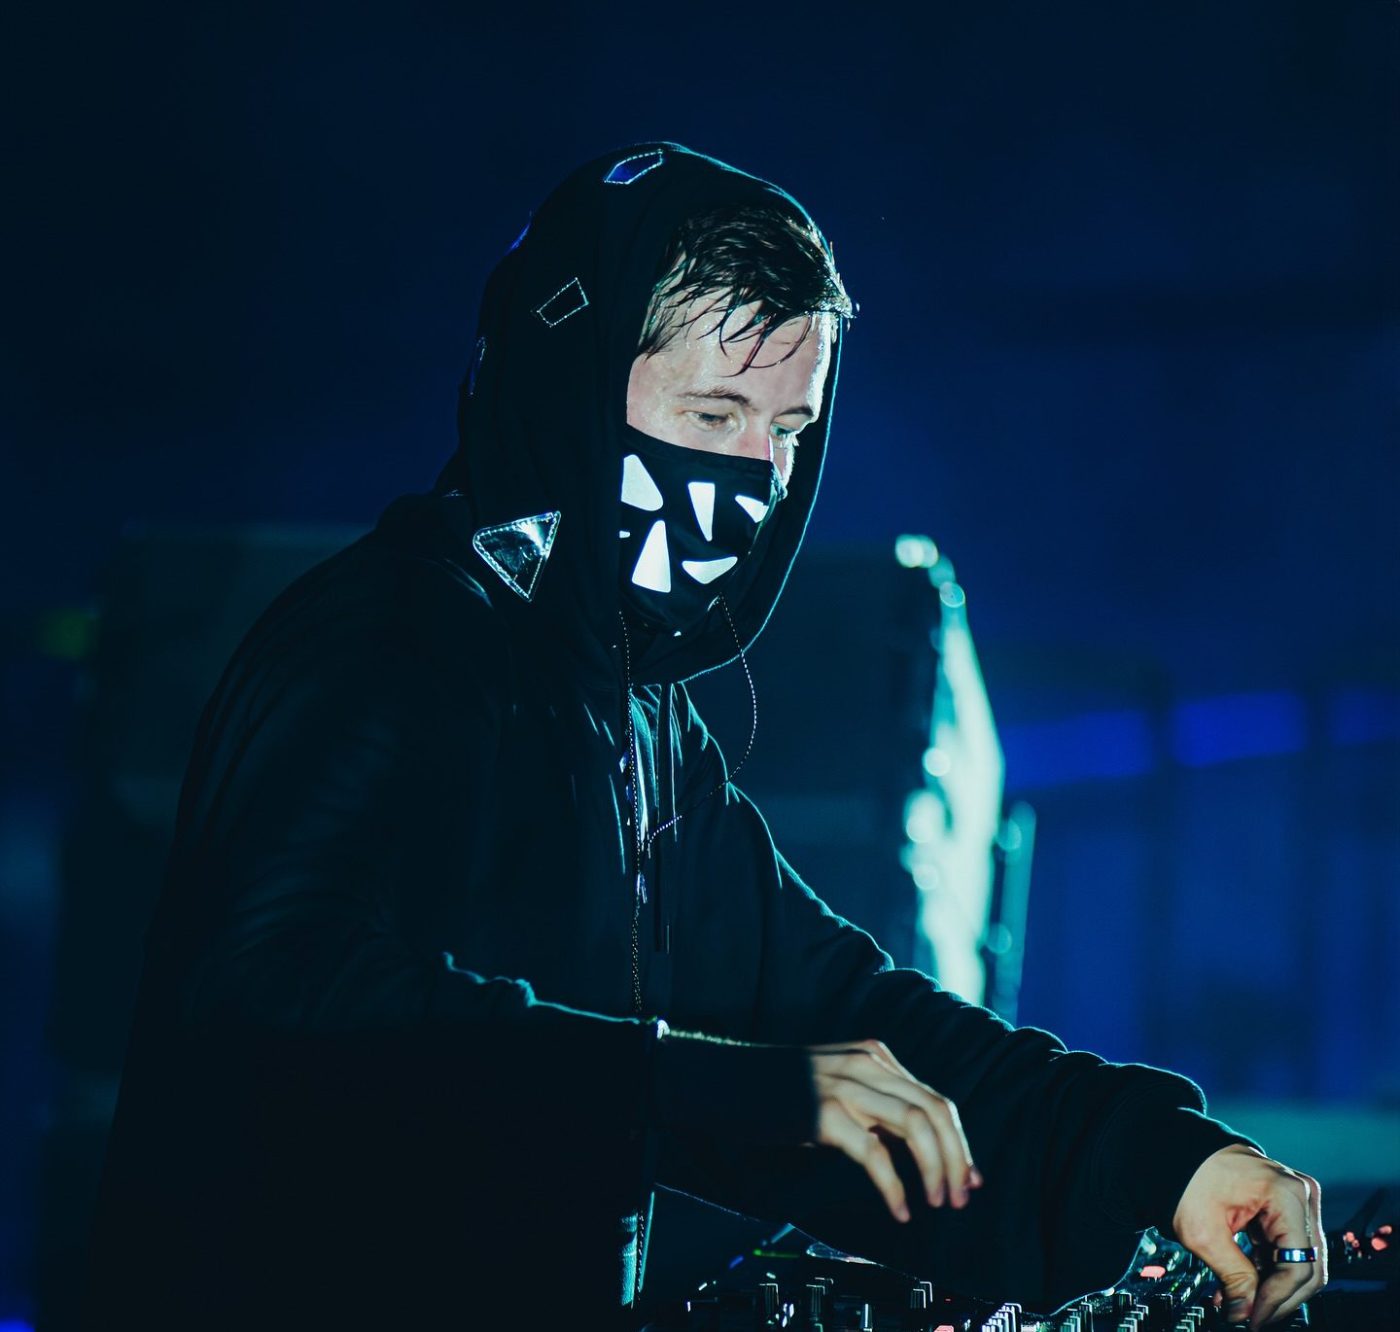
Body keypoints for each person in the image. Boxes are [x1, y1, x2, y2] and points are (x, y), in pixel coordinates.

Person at [81, 142, 1326, 1330]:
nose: (755, 476)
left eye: (786, 431)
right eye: (714, 411)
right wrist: (696, 1084)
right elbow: (275, 999)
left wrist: (1158, 1157)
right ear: (567, 385)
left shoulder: (637, 718)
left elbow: (822, 1015)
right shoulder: (382, 641)